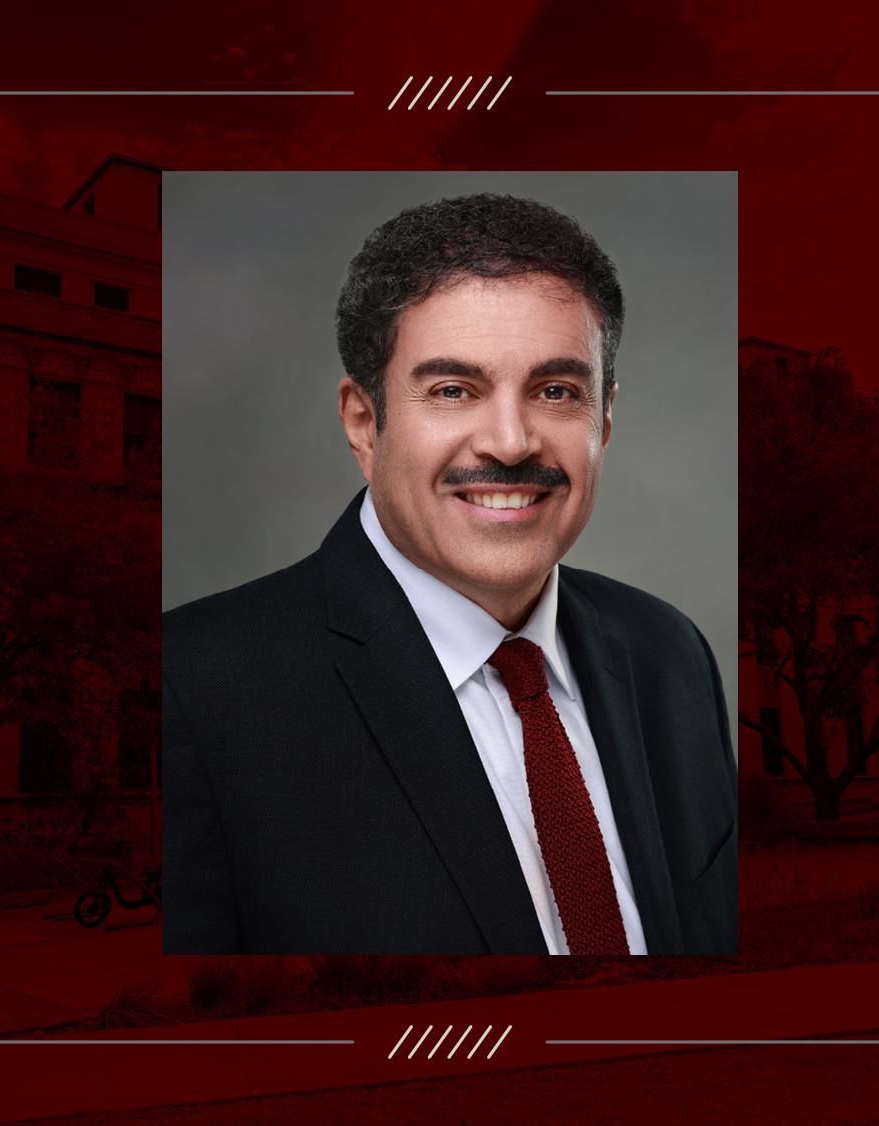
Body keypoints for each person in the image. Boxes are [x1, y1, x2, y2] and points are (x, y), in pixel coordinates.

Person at [162, 193, 736, 954]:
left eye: (556, 391)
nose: (510, 442)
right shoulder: (193, 688)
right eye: (453, 390)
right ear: (364, 423)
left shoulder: (673, 652)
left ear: (603, 420)